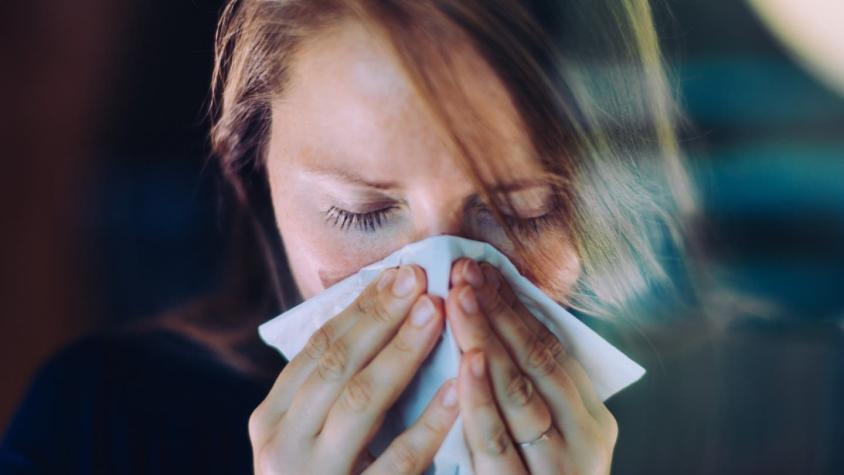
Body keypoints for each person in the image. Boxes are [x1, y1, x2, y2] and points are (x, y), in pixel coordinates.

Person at [1, 0, 710, 474]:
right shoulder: (93, 428)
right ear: (253, 176)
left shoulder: (727, 434)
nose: (442, 291)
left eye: (523, 214)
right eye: (362, 212)